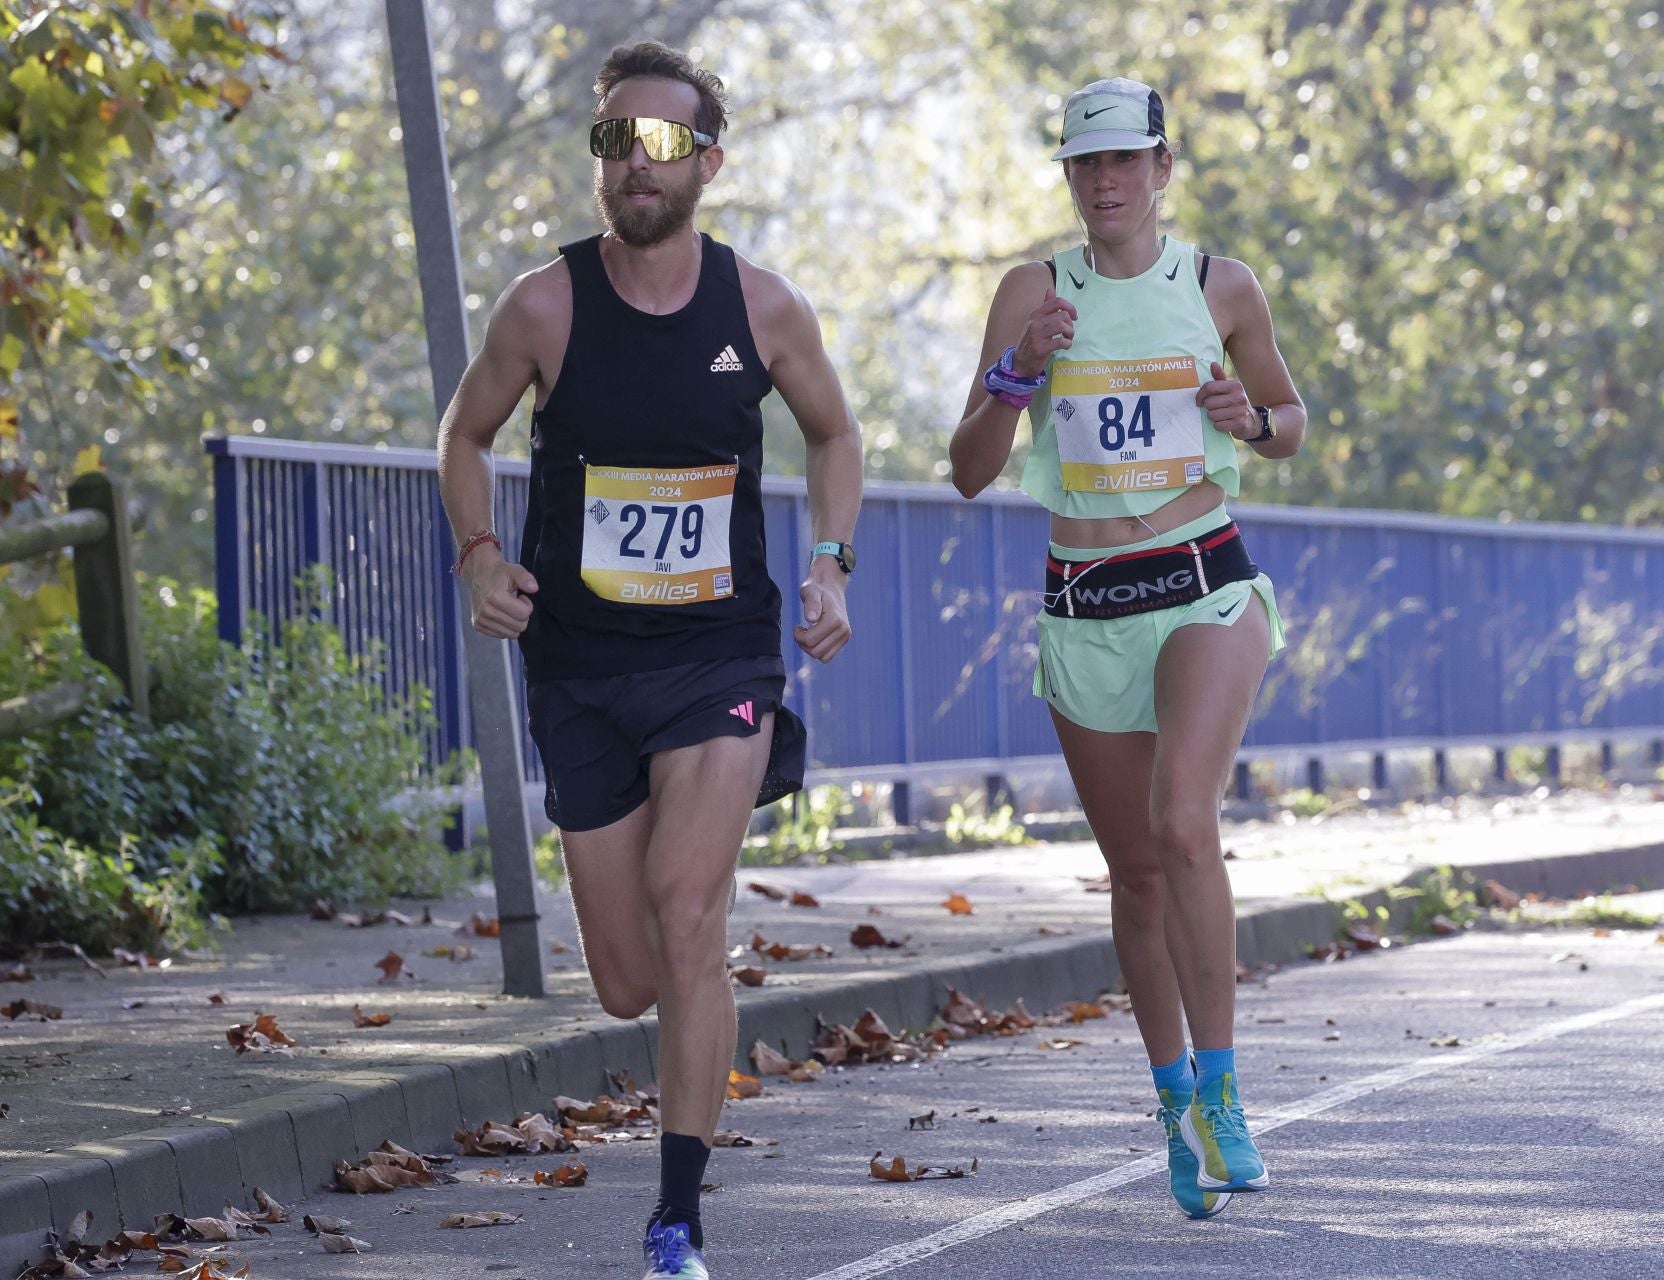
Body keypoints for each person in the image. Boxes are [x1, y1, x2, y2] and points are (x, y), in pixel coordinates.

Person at [437, 40, 862, 1280]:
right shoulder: (544, 304)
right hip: (578, 664)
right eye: (615, 137)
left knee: (691, 916)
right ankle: (671, 1122)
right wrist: (477, 551)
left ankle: (676, 1215)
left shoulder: (763, 308)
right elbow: (463, 434)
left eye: (663, 140)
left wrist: (831, 560)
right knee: (626, 978)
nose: (635, 158)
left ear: (708, 163)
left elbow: (835, 434)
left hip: (718, 654)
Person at [948, 77, 1306, 1220]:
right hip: (1084, 596)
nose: (1104, 184)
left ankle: (1227, 1085)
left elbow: (1289, 418)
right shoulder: (1030, 291)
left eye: (1124, 162)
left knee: (1181, 820)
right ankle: (1173, 1103)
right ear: (1069, 179)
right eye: (1083, 166)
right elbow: (965, 466)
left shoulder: (1220, 286)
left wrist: (1249, 419)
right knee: (1136, 871)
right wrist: (1016, 374)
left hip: (1204, 577)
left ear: (1161, 169)